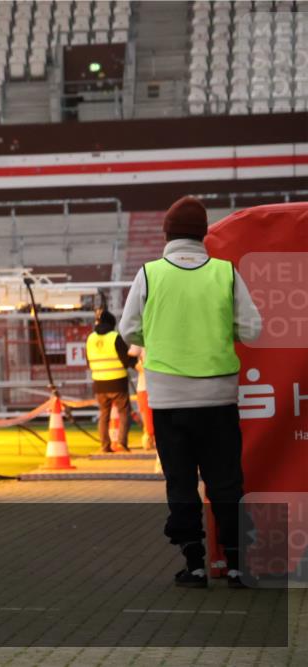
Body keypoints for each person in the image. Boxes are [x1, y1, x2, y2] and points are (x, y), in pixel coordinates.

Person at [120, 196, 261, 589]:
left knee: (180, 483)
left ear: (167, 234)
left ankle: (195, 564)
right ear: (203, 235)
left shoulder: (149, 274)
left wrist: (160, 337)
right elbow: (253, 329)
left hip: (168, 400)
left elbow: (128, 330)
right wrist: (219, 333)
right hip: (218, 398)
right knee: (226, 482)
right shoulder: (224, 272)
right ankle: (236, 565)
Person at [86, 308, 137, 452]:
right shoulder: (115, 337)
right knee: (124, 413)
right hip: (118, 382)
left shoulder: (90, 339)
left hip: (99, 383)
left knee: (104, 415)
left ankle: (105, 445)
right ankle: (121, 442)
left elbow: (88, 361)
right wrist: (136, 364)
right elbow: (126, 359)